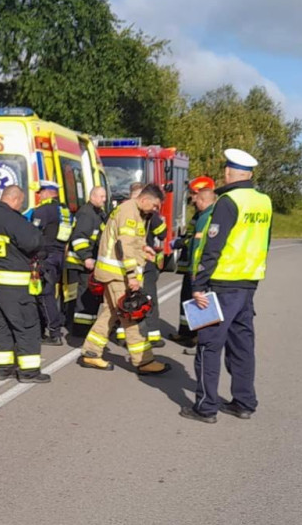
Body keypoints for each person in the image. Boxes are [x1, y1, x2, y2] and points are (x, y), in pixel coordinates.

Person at [180, 149, 272, 423]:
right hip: (248, 284)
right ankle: (244, 403)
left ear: (228, 173)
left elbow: (213, 246)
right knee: (242, 346)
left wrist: (198, 285)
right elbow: (265, 241)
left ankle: (206, 407)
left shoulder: (228, 202)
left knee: (208, 346)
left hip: (221, 284)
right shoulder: (264, 201)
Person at [77, 184, 171, 376]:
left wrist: (144, 250)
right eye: (154, 206)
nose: (155, 210)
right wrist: (132, 276)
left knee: (110, 313)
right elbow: (124, 246)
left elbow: (131, 242)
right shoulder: (129, 212)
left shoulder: (133, 211)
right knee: (131, 315)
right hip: (118, 274)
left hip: (114, 272)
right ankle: (144, 361)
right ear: (144, 199)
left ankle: (91, 352)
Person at [0, 185, 51, 384]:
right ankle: (29, 371)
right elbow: (34, 243)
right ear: (15, 199)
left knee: (1, 326)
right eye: (21, 202)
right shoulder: (13, 220)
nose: (21, 205)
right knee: (27, 326)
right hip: (16, 285)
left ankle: (1, 369)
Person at [116, 182, 166, 348]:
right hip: (137, 264)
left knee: (126, 300)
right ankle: (149, 335)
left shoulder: (123, 210)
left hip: (131, 262)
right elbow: (161, 233)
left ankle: (124, 335)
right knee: (144, 299)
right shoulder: (133, 213)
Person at [171, 177, 217, 352]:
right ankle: (186, 332)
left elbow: (198, 243)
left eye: (193, 194)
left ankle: (197, 338)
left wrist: (181, 243)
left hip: (198, 267)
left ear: (201, 195)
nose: (191, 198)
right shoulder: (200, 213)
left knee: (198, 300)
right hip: (191, 264)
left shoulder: (207, 215)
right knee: (187, 299)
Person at [30, 180, 69, 345]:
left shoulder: (43, 210)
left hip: (46, 257)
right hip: (59, 255)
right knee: (50, 294)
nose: (39, 195)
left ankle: (54, 334)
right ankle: (47, 331)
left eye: (40, 192)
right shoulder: (64, 210)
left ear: (47, 192)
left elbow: (33, 234)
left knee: (45, 295)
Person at [66, 186, 107, 337]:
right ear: (92, 197)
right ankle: (80, 330)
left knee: (90, 297)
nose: (104, 200)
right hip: (80, 262)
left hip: (89, 261)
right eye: (101, 196)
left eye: (105, 196)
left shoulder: (98, 213)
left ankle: (86, 326)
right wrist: (86, 257)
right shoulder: (86, 214)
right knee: (84, 296)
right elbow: (79, 238)